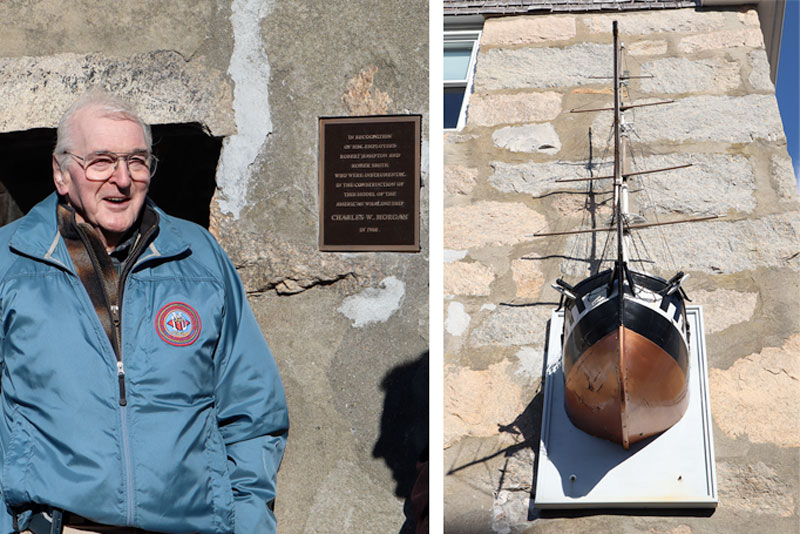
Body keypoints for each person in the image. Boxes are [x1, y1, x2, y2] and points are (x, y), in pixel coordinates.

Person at [0, 91, 289, 534]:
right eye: (101, 160)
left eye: (137, 160)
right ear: (61, 173)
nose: (122, 179)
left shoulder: (199, 258)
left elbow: (251, 408)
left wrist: (248, 519)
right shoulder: (10, 262)